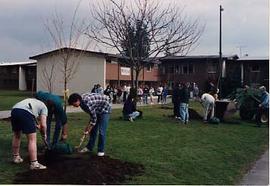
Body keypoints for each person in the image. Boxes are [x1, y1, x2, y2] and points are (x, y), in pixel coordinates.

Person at [68, 92, 111, 156]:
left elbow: (94, 119)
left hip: (105, 108)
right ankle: (89, 147)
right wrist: (87, 128)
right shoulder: (82, 102)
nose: (73, 106)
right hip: (97, 108)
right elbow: (92, 116)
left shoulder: (87, 104)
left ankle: (101, 150)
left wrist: (88, 130)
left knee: (102, 131)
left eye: (73, 104)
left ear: (77, 100)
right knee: (93, 131)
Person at [11, 98, 48, 170]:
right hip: (25, 112)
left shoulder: (33, 101)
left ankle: (16, 157)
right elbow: (43, 125)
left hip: (14, 110)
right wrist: (44, 134)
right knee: (32, 139)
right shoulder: (44, 107)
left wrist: (38, 126)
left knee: (17, 135)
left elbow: (34, 119)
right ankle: (34, 163)